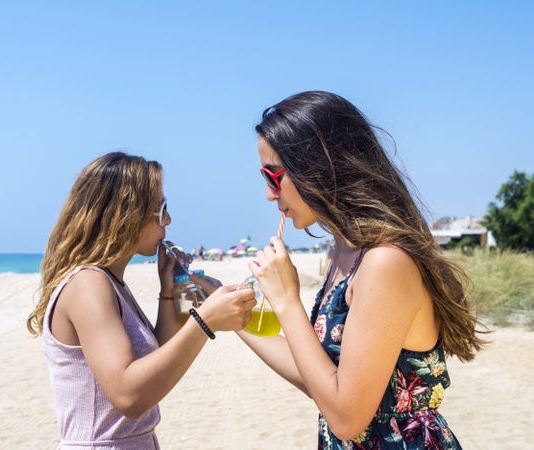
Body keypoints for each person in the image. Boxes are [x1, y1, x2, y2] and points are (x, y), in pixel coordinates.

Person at [192, 91, 487, 449]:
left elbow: (346, 418)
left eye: (273, 177)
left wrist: (286, 300)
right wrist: (228, 310)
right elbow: (320, 379)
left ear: (317, 166)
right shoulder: (344, 252)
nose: (270, 195)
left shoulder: (384, 262)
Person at [27, 152, 255, 449]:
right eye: (162, 210)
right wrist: (205, 322)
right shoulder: (88, 284)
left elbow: (153, 366)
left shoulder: (110, 282)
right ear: (126, 215)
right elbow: (129, 396)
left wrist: (170, 292)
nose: (169, 220)